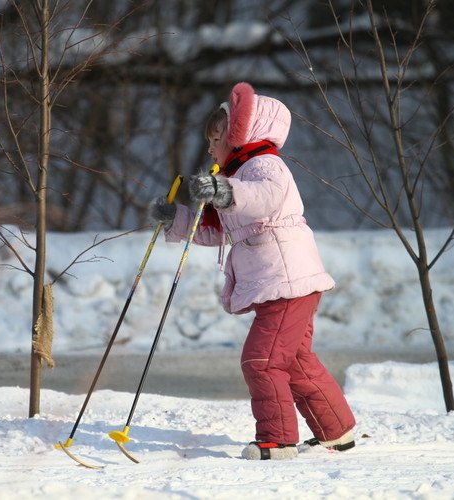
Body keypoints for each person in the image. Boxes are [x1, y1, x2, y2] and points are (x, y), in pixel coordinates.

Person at [149, 82, 356, 460]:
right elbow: (218, 231)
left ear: (241, 134)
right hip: (282, 280)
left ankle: (277, 440)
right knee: (294, 362)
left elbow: (264, 199)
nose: (211, 148)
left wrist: (225, 191)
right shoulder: (240, 172)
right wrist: (177, 219)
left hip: (287, 279)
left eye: (216, 139)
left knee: (261, 360)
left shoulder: (264, 165)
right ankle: (336, 431)